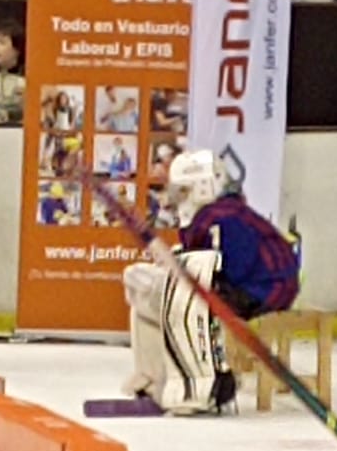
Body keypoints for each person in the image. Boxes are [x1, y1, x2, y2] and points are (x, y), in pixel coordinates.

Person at [123, 150, 300, 415]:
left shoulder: (222, 217)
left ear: (202, 187)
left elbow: (223, 269)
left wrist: (179, 270)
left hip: (256, 292)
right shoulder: (219, 214)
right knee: (142, 287)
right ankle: (154, 379)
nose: (178, 199)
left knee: (164, 294)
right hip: (254, 288)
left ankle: (204, 384)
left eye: (184, 191)